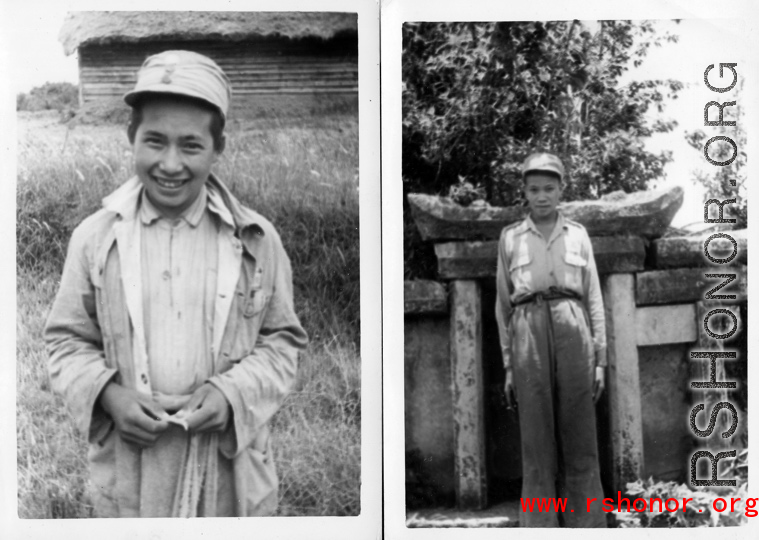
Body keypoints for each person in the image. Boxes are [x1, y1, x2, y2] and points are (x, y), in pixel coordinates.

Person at [44, 50, 308, 518]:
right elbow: (65, 342)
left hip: (228, 469)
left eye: (190, 145)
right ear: (131, 138)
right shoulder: (94, 239)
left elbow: (283, 342)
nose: (170, 164)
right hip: (132, 465)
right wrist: (109, 395)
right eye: (154, 141)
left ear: (217, 146)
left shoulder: (256, 240)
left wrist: (233, 394)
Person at [495, 152, 607, 528]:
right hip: (527, 328)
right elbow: (502, 305)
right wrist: (510, 364)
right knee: (536, 434)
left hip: (572, 325)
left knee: (580, 429)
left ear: (561, 190)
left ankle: (587, 525)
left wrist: (600, 360)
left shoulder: (577, 234)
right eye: (533, 189)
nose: (541, 196)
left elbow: (593, 297)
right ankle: (540, 527)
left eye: (548, 188)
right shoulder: (510, 238)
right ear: (524, 193)